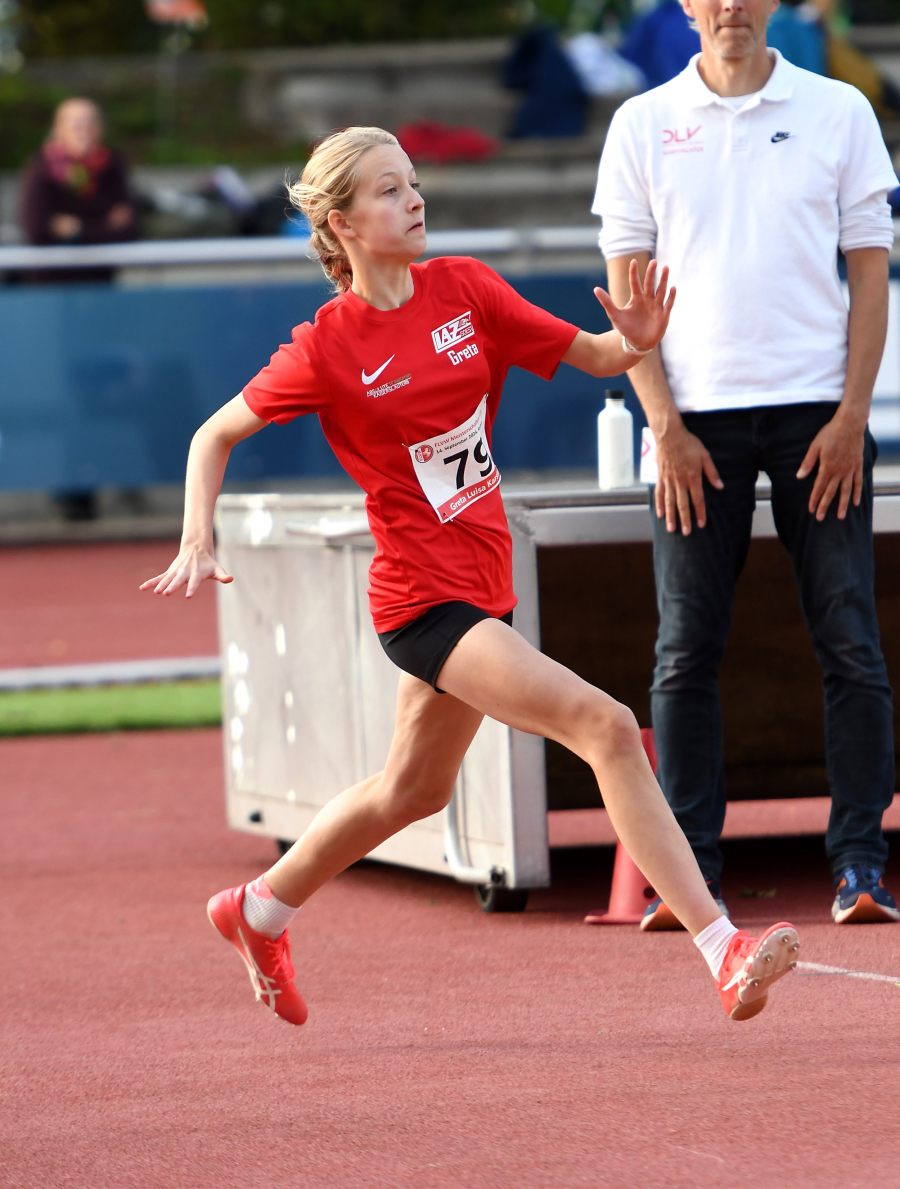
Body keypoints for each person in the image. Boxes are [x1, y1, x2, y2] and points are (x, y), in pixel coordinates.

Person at [143, 126, 799, 1026]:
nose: (414, 199)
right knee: (606, 725)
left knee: (412, 791)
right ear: (342, 223)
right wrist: (196, 536)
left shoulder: (467, 290)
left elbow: (600, 356)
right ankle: (722, 948)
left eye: (412, 183)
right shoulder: (327, 345)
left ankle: (258, 909)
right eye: (388, 190)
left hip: (484, 582)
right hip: (423, 601)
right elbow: (210, 435)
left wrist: (635, 338)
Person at [593, 0, 899, 929]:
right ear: (686, 6)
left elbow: (871, 271)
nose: (730, 5)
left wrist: (853, 415)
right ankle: (692, 879)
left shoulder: (840, 109)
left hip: (820, 418)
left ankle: (861, 865)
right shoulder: (641, 123)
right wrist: (665, 424)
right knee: (685, 648)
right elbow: (626, 289)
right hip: (692, 424)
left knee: (850, 640)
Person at [20, 96, 136, 285]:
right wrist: (103, 227)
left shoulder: (112, 165)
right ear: (59, 129)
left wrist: (77, 231)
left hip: (99, 282)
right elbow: (36, 228)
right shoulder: (41, 167)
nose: (84, 130)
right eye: (76, 125)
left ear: (101, 128)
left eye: (91, 123)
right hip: (49, 285)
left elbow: (128, 230)